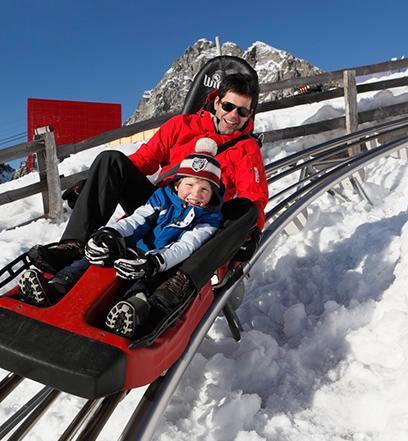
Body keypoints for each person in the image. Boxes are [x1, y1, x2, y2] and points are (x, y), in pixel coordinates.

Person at [27, 72, 269, 317]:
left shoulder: (246, 149)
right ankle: (74, 245)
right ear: (217, 102)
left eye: (242, 111)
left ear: (250, 115)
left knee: (246, 209)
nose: (233, 116)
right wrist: (95, 181)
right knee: (110, 160)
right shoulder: (182, 126)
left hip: (200, 220)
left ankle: (182, 281)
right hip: (161, 204)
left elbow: (254, 197)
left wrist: (252, 233)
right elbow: (143, 160)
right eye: (228, 106)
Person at [19, 141, 224, 338]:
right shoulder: (162, 197)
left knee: (143, 285)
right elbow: (137, 219)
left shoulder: (209, 218)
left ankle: (131, 311)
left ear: (212, 195)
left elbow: (187, 246)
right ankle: (55, 287)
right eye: (189, 184)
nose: (195, 194)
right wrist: (111, 233)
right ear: (178, 184)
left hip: (159, 263)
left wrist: (155, 262)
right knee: (91, 263)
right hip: (133, 249)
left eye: (204, 189)